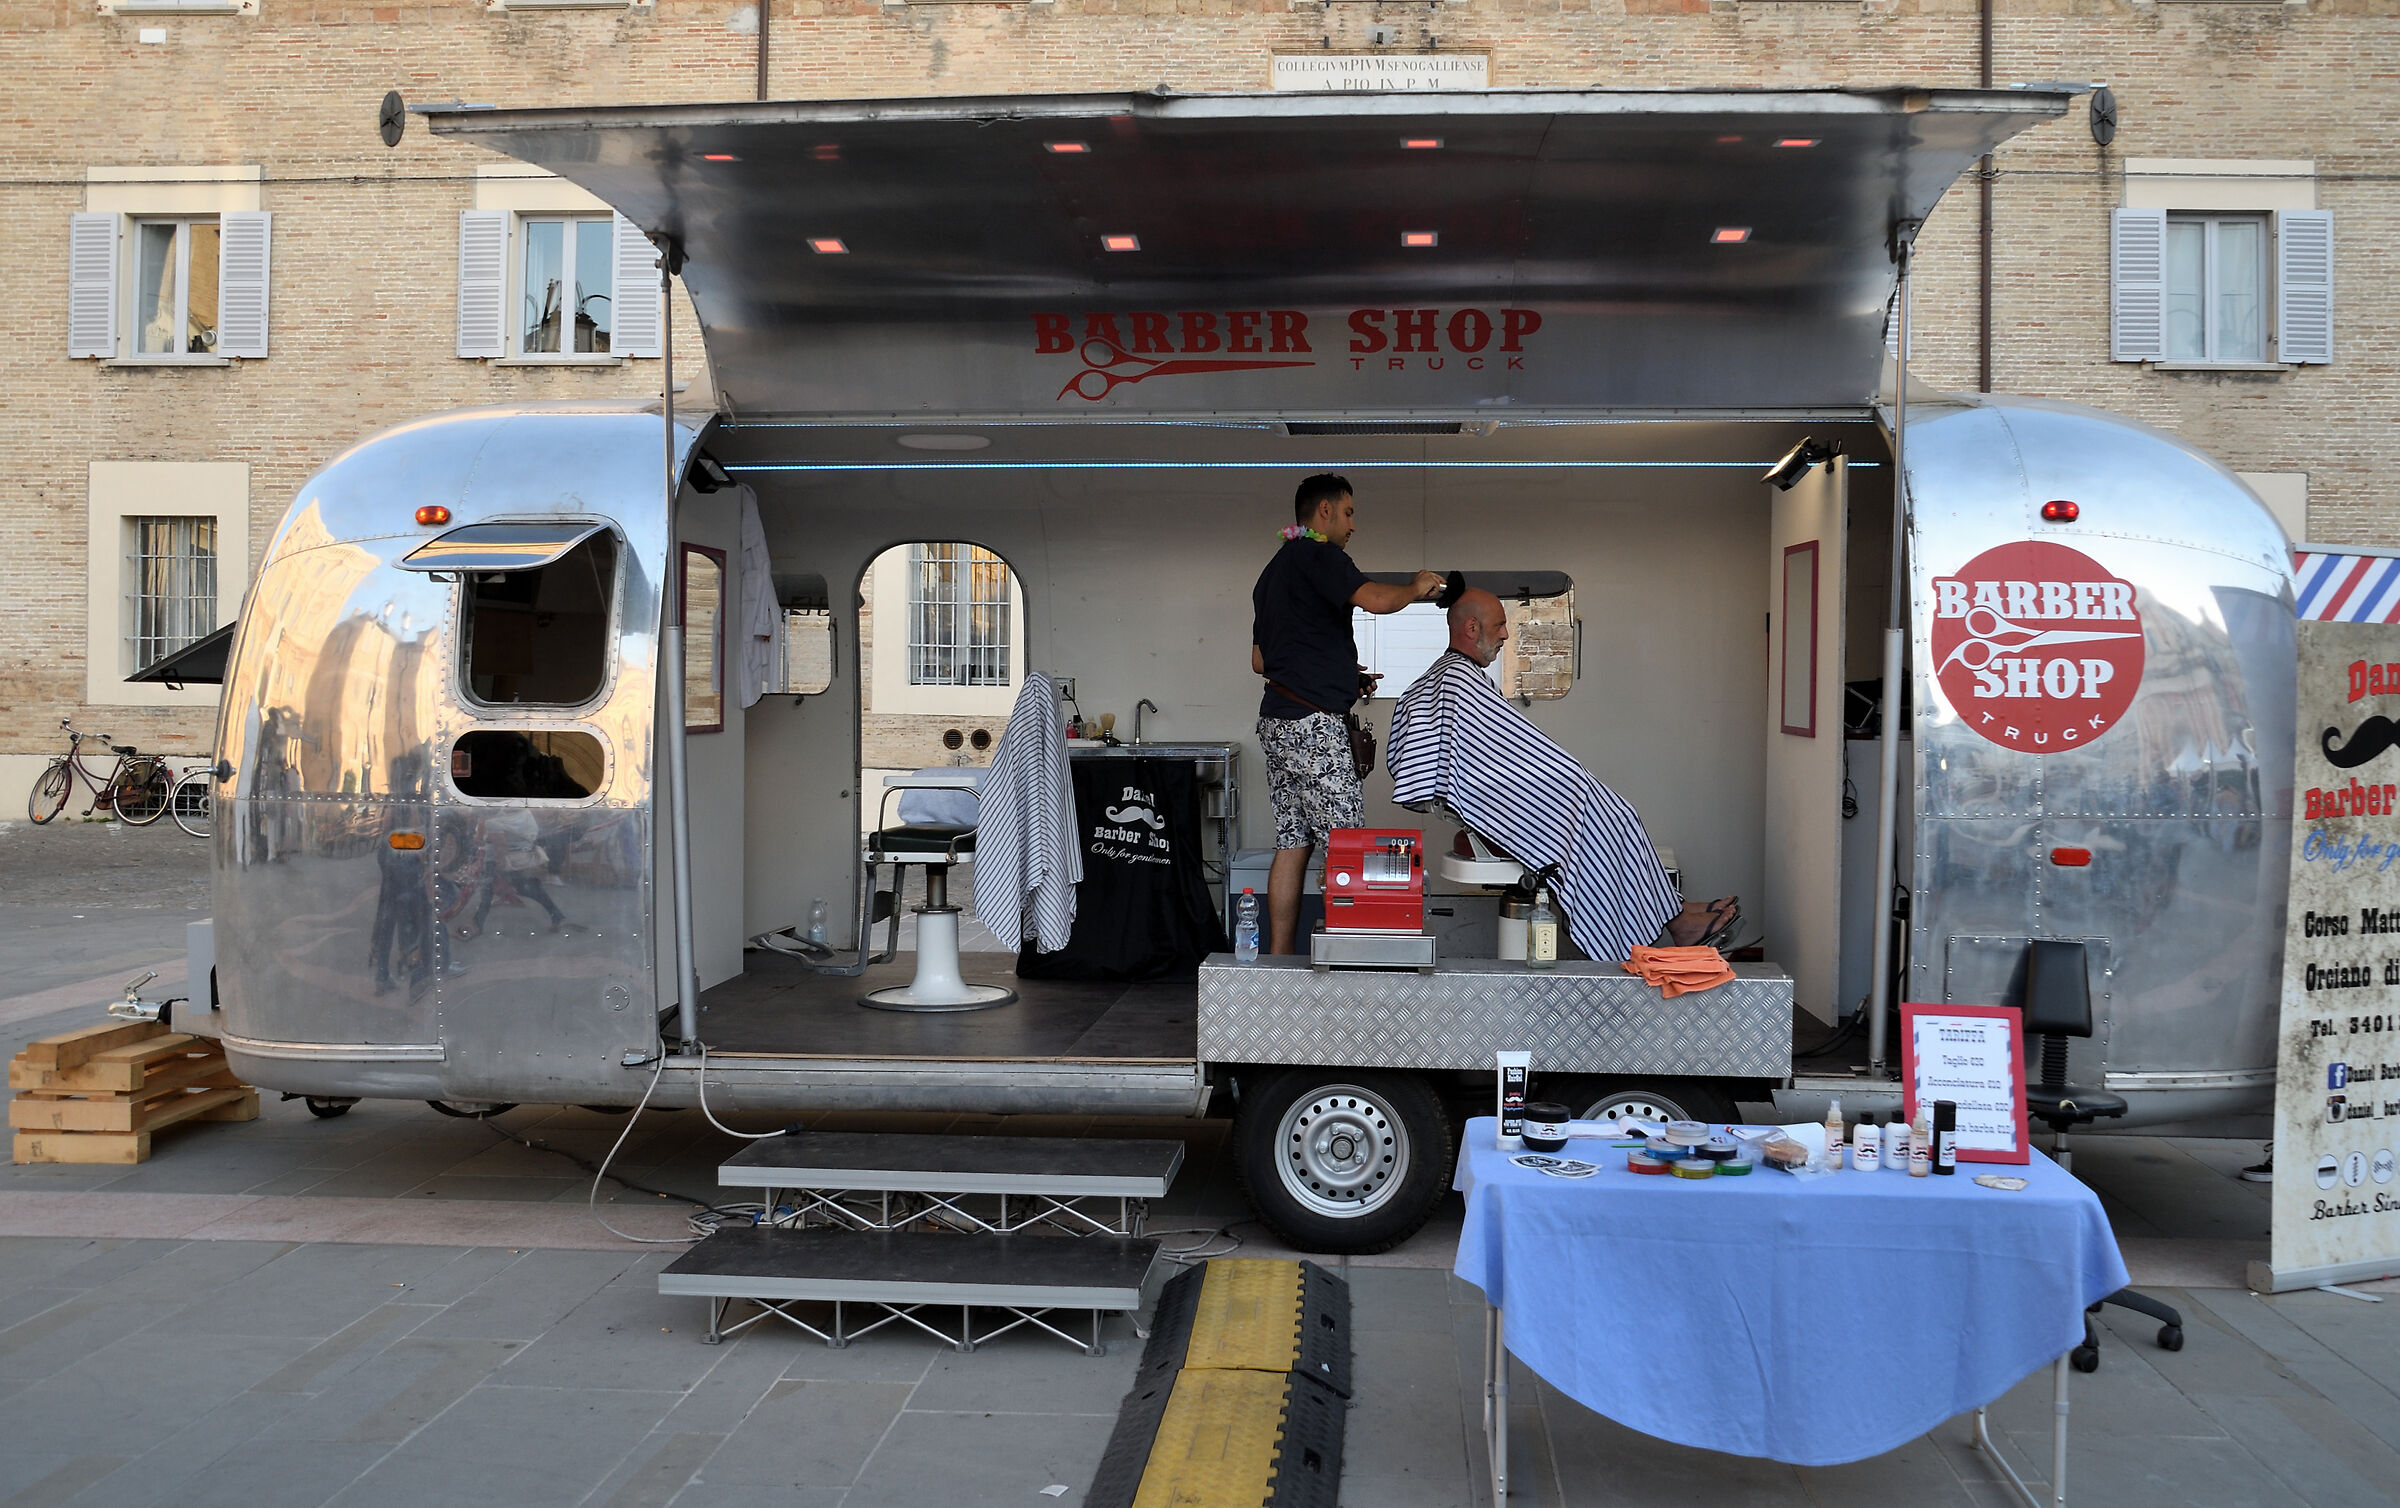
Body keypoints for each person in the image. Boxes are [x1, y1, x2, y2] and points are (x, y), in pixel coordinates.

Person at [1389, 588, 1738, 960]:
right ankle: (1677, 922)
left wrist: (1560, 774)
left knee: (1612, 814)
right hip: (1489, 814)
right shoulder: (1459, 681)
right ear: (1471, 628)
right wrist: (1566, 777)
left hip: (1487, 808)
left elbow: (1498, 755)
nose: (1506, 634)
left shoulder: (1447, 678)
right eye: (1500, 625)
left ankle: (1674, 912)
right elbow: (1499, 759)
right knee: (1616, 816)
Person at [1251, 474, 1446, 954]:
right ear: (1324, 511)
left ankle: (1277, 959)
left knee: (1292, 840)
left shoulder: (1272, 572)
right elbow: (1376, 600)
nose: (1353, 524)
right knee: (1345, 843)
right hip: (1315, 726)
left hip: (1277, 721)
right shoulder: (1321, 556)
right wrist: (1416, 586)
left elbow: (1261, 660)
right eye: (1349, 512)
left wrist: (1336, 671)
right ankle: (1347, 957)